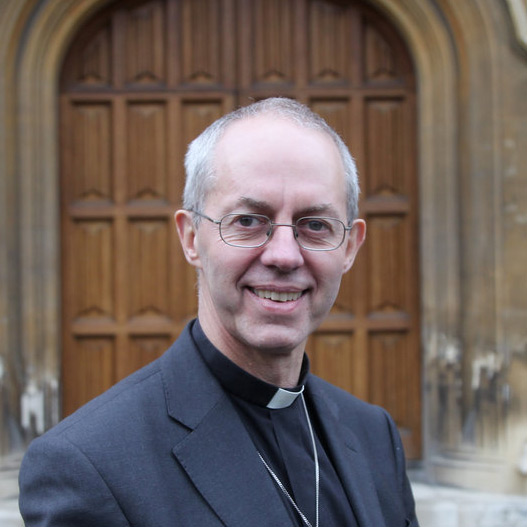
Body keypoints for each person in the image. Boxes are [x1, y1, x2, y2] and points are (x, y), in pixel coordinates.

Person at [19, 97, 419, 527]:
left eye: (315, 225)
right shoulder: (89, 465)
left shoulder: (374, 434)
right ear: (191, 238)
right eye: (248, 221)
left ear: (350, 247)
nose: (284, 255)